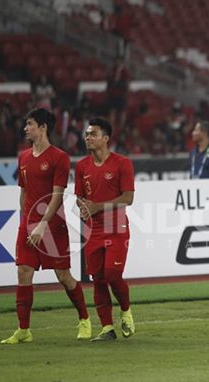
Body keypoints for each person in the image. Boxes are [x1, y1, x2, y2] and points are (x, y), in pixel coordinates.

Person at [1, 108, 90, 344]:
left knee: (63, 276)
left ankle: (84, 319)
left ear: (43, 127)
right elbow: (24, 192)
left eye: (29, 124)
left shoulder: (60, 157)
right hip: (28, 224)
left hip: (53, 226)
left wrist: (41, 225)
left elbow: (57, 196)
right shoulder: (23, 157)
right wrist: (25, 221)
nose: (25, 128)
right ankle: (24, 330)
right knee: (23, 272)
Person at [75, 117, 136, 341]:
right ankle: (107, 328)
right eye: (87, 134)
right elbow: (80, 197)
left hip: (116, 224)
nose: (88, 138)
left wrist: (97, 206)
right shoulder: (82, 166)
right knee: (98, 278)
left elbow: (128, 198)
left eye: (93, 134)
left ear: (106, 138)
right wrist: (83, 207)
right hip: (93, 228)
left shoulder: (122, 163)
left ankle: (126, 310)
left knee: (112, 273)